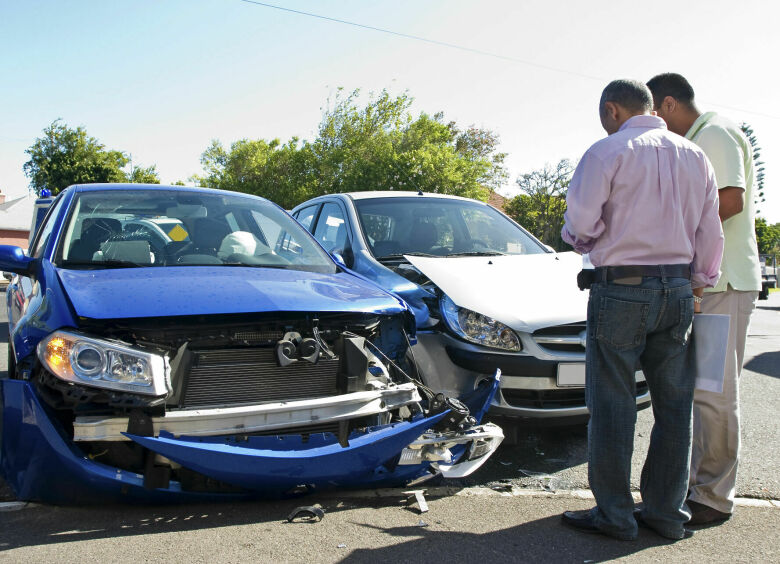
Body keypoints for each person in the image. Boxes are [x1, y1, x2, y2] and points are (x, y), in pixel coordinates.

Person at [560, 79, 724, 541]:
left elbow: (581, 224)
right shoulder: (694, 155)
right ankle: (666, 514)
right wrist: (697, 283)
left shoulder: (607, 152)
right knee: (674, 407)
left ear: (613, 110)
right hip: (676, 291)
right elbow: (711, 233)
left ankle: (615, 516)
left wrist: (583, 240)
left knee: (613, 405)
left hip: (621, 290)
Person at [647, 73, 762, 526]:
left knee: (714, 393)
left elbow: (730, 200)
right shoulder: (697, 138)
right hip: (708, 286)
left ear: (669, 104)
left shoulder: (713, 133)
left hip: (725, 284)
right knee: (703, 391)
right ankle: (699, 487)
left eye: (653, 113)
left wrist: (670, 233)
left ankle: (713, 498)